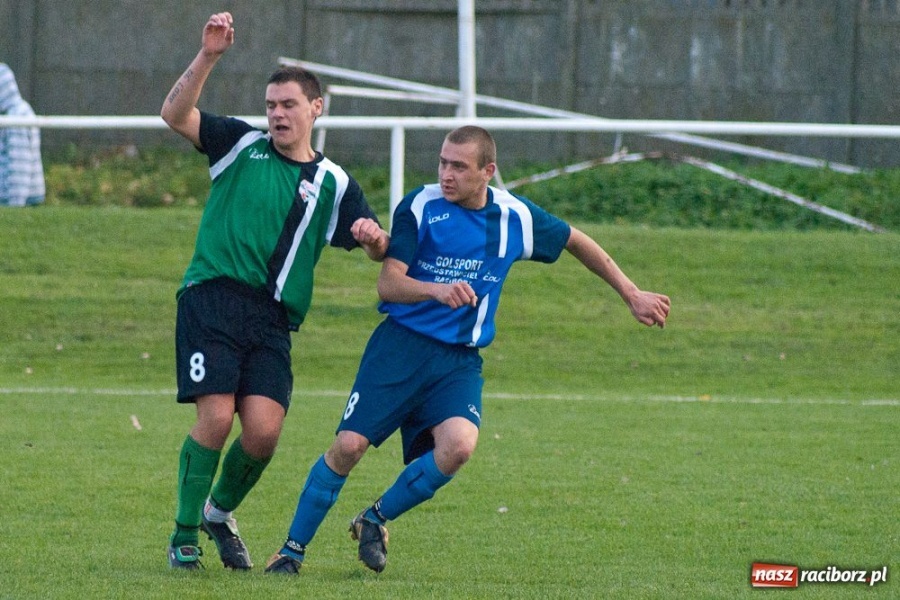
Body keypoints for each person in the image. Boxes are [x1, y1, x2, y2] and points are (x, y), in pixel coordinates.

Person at [265, 125, 670, 575]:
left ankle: (374, 518)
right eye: (442, 162)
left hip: (457, 362)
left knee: (459, 446)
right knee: (349, 445)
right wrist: (437, 291)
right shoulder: (420, 206)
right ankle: (290, 551)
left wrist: (630, 293)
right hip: (400, 348)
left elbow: (575, 239)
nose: (446, 174)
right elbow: (389, 283)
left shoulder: (514, 217)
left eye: (459, 166)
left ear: (488, 171)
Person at [160, 12, 389, 571]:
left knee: (262, 435)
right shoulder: (239, 144)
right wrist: (209, 55)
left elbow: (376, 245)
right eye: (270, 105)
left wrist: (374, 239)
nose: (277, 114)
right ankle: (183, 534)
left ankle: (218, 512)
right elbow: (174, 114)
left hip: (271, 321)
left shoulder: (334, 182)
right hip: (212, 298)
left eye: (288, 105)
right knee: (216, 419)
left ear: (316, 108)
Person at [0, 63, 45, 207]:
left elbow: (19, 164)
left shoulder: (15, 118)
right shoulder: (17, 111)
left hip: (21, 198)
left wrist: (15, 204)